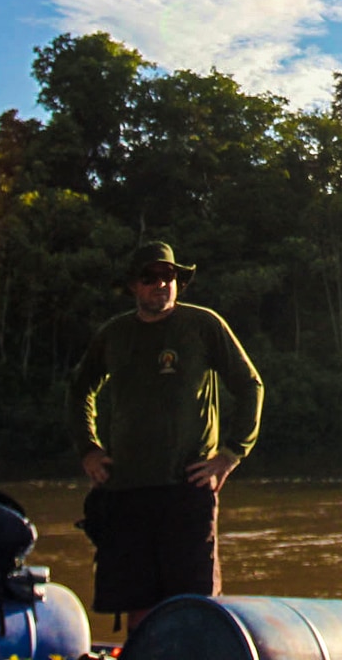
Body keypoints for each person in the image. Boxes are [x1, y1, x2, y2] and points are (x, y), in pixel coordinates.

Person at [68, 242, 263, 628]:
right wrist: (89, 449)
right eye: (150, 277)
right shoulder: (114, 334)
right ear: (133, 286)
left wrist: (230, 454)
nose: (161, 284)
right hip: (126, 487)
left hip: (187, 486)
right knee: (137, 600)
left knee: (194, 602)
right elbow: (79, 389)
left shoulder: (203, 325)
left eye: (169, 276)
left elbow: (250, 385)